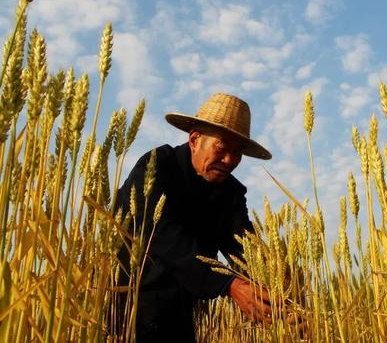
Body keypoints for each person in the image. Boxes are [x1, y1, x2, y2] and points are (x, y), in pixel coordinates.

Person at [113, 93, 273, 342]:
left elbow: (244, 248)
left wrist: (279, 289)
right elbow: (162, 234)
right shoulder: (156, 166)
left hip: (178, 315)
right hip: (122, 309)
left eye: (237, 152)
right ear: (195, 140)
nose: (230, 160)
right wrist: (228, 284)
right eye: (222, 147)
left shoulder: (230, 193)